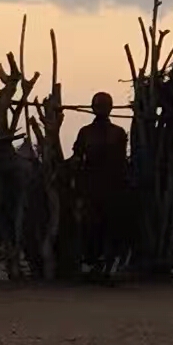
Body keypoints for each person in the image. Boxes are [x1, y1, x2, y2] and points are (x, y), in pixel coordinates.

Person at [68, 91, 132, 280]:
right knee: (90, 227)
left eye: (105, 105)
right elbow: (77, 157)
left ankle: (110, 266)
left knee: (114, 227)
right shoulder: (85, 132)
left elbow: (121, 162)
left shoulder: (118, 132)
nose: (102, 108)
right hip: (91, 188)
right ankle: (92, 264)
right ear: (92, 107)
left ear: (111, 107)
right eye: (98, 105)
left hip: (113, 188)